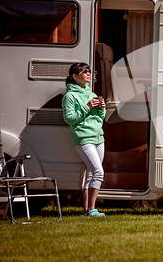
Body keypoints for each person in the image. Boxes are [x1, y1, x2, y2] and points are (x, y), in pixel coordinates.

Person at [62, 62, 106, 217]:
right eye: (84, 71)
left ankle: (86, 211)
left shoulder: (92, 94)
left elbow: (100, 119)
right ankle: (93, 209)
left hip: (99, 138)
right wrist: (87, 106)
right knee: (98, 172)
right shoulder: (69, 96)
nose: (88, 73)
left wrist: (102, 108)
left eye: (89, 71)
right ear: (75, 76)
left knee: (89, 175)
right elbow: (69, 119)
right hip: (84, 140)